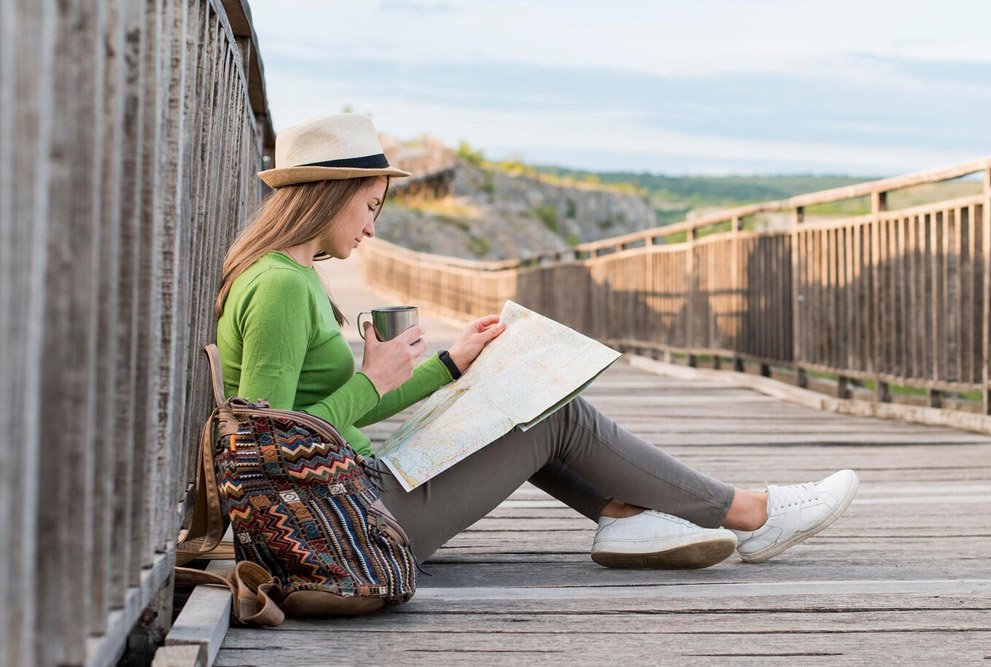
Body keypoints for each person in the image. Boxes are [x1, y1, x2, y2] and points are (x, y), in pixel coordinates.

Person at [215, 114, 859, 571]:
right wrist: (373, 381)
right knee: (556, 416)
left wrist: (449, 362)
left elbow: (308, 417)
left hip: (348, 498)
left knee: (517, 401)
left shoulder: (289, 276)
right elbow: (265, 447)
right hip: (351, 523)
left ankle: (625, 518)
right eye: (371, 207)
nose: (372, 230)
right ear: (330, 195)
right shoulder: (280, 287)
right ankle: (751, 513)